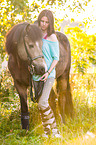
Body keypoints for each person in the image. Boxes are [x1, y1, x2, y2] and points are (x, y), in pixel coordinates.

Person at [33, 9, 60, 138]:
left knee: (42, 103)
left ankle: (55, 131)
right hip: (37, 75)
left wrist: (48, 71)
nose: (43, 24)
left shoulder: (52, 37)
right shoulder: (36, 35)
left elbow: (56, 58)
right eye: (42, 21)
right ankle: (46, 132)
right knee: (40, 105)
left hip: (48, 75)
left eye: (46, 22)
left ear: (50, 23)